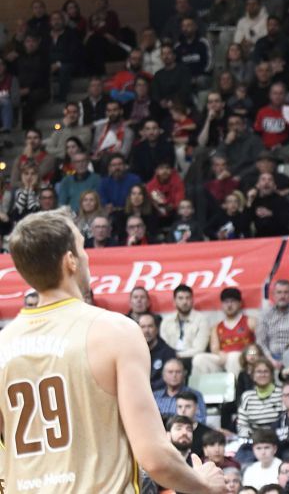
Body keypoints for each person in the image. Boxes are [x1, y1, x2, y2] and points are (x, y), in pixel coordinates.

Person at [0, 210, 226, 493]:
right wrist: (205, 485)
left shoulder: (4, 343)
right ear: (70, 261)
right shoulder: (114, 331)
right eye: (83, 248)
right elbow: (155, 457)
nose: (87, 256)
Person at [193, 287, 256, 376]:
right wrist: (220, 354)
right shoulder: (216, 327)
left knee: (233, 357)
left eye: (233, 301)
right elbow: (215, 349)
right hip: (224, 359)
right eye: (226, 302)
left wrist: (251, 354)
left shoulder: (251, 321)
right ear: (222, 305)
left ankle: (236, 385)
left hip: (246, 358)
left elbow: (259, 345)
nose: (229, 305)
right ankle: (205, 385)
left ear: (239, 303)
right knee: (199, 359)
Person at [257, 280, 289, 368]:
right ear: (273, 295)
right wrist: (270, 360)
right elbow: (260, 342)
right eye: (279, 292)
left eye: (286, 292)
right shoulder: (265, 314)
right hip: (271, 358)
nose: (282, 296)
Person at [160, 283, 211, 366]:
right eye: (180, 298)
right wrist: (171, 355)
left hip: (191, 359)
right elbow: (163, 345)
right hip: (170, 359)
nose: (184, 302)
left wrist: (178, 355)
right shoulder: (166, 321)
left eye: (188, 298)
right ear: (174, 301)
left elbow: (200, 349)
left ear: (192, 300)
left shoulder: (201, 319)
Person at [139, 311, 177, 391]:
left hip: (159, 393)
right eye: (143, 327)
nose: (146, 330)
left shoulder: (168, 352)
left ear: (156, 329)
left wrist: (147, 388)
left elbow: (168, 379)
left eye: (150, 326)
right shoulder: (132, 352)